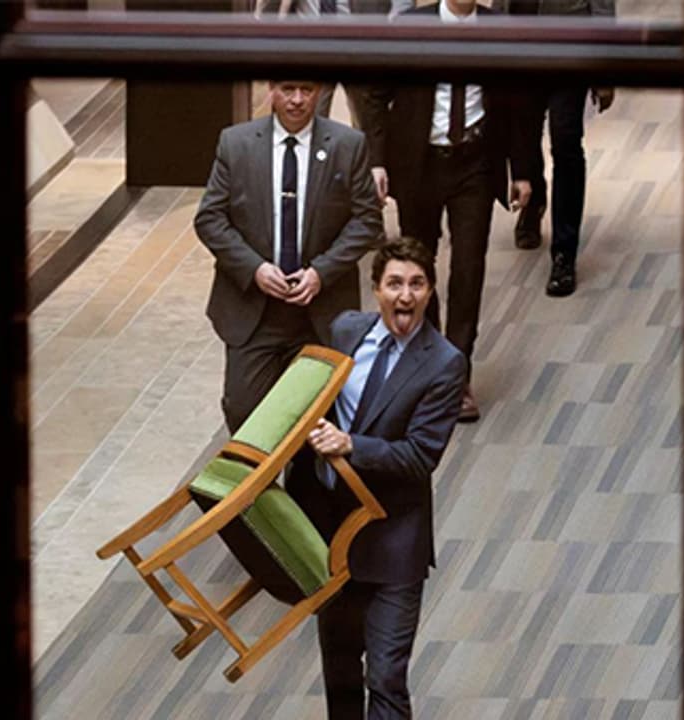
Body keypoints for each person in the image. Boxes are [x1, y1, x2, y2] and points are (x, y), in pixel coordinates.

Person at [287, 237, 467, 720]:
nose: (406, 295)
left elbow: (419, 456)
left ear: (430, 291)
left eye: (417, 284)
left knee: (385, 678)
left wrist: (351, 445)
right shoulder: (345, 331)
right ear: (376, 289)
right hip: (333, 540)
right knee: (341, 675)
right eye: (395, 284)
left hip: (393, 544)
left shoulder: (445, 363)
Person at [362, 0, 539, 422]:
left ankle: (456, 374)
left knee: (468, 268)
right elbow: (376, 97)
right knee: (418, 267)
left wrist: (523, 170)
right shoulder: (409, 27)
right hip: (419, 164)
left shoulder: (500, 31)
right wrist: (377, 161)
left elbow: (518, 108)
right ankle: (428, 364)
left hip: (475, 164)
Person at [195, 80, 383, 433]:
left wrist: (320, 272)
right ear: (271, 89)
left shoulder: (348, 145)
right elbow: (210, 218)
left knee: (317, 420)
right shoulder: (236, 144)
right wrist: (255, 269)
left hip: (320, 310)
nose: (297, 100)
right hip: (255, 311)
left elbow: (367, 221)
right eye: (288, 89)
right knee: (244, 412)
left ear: (319, 93)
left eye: (306, 91)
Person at [509, 0, 616, 297]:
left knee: (566, 141)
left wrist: (605, 70)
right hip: (519, 44)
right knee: (521, 134)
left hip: (569, 48)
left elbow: (603, 6)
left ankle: (564, 253)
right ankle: (534, 200)